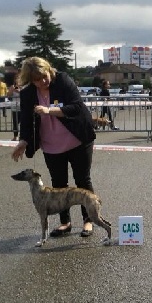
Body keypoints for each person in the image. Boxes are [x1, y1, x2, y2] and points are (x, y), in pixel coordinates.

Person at [11, 56, 97, 237]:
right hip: (51, 145)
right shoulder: (27, 94)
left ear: (49, 70)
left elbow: (76, 107)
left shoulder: (63, 80)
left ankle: (88, 220)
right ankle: (65, 222)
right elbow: (26, 121)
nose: (43, 81)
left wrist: (49, 110)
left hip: (78, 139)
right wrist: (23, 141)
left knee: (82, 180)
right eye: (37, 79)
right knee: (59, 184)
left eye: (45, 76)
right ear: (30, 80)